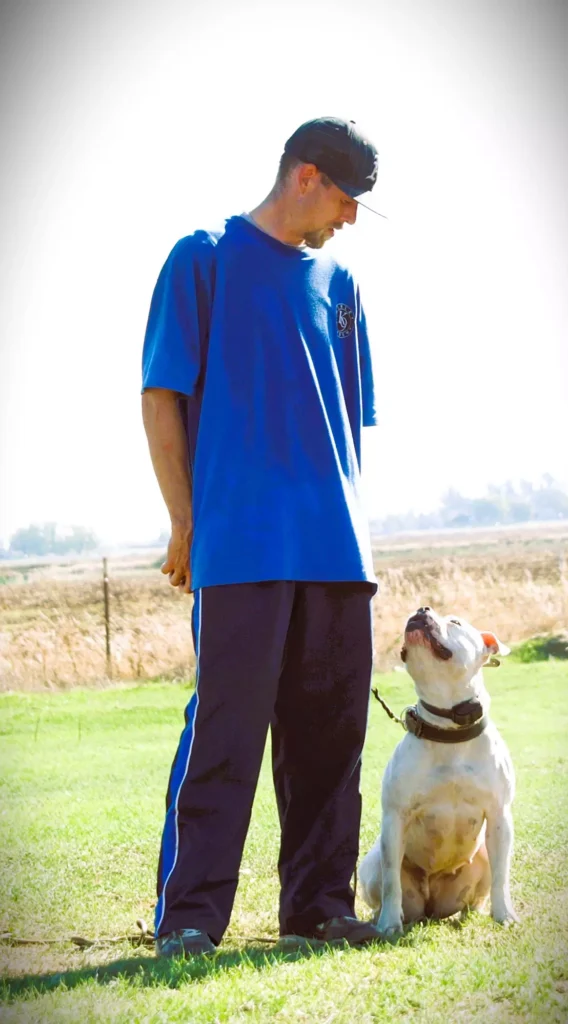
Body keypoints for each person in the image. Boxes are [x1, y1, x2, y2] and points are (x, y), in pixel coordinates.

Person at [141, 116, 383, 958]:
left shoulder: (344, 285)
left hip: (339, 556)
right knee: (225, 736)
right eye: (350, 199)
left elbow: (354, 424)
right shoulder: (201, 258)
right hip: (240, 549)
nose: (351, 219)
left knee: (330, 744)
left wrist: (347, 530)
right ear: (307, 176)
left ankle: (319, 906)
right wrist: (183, 520)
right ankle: (192, 917)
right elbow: (161, 396)